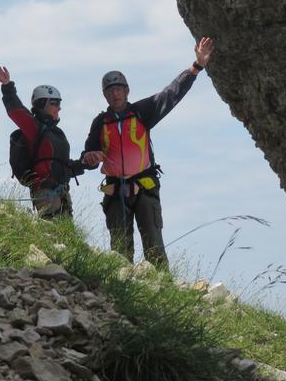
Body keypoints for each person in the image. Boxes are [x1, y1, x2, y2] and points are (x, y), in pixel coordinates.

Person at [81, 37, 215, 269]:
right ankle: (122, 290)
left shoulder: (142, 111)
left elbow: (171, 94)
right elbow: (88, 156)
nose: (115, 94)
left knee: (154, 246)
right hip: (115, 193)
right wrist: (89, 159)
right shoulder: (99, 123)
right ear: (105, 95)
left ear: (127, 90)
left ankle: (162, 288)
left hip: (144, 188)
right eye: (110, 90)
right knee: (120, 252)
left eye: (119, 89)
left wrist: (197, 66)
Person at [0, 63, 84, 219]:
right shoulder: (35, 128)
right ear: (42, 104)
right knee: (55, 234)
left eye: (59, 103)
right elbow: (17, 111)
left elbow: (62, 166)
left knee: (64, 240)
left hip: (62, 193)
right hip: (45, 192)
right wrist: (7, 86)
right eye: (54, 103)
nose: (59, 108)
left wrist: (85, 163)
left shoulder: (58, 134)